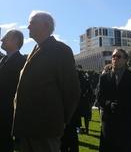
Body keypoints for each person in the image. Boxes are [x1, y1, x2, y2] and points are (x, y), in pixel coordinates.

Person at [12, 10, 80, 152]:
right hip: (27, 124)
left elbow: (71, 90)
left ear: (45, 26)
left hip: (45, 126)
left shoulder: (60, 50)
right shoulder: (34, 50)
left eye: (32, 23)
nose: (28, 27)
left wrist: (62, 119)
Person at [97, 47, 131, 152]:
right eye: (113, 56)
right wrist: (109, 104)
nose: (115, 58)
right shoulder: (104, 78)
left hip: (128, 123)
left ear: (125, 60)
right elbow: (99, 97)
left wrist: (123, 105)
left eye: (118, 56)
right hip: (109, 123)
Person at [0, 29, 26, 152]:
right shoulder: (3, 60)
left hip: (7, 114)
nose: (1, 39)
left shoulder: (21, 62)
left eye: (6, 37)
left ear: (15, 41)